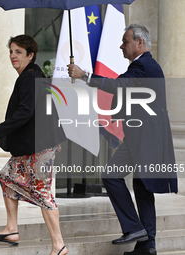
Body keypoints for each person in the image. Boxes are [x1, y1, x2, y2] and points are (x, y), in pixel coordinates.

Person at [68, 24, 177, 255]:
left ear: (140, 43)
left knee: (111, 175)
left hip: (145, 140)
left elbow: (118, 86)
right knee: (142, 187)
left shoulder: (143, 66)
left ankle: (135, 229)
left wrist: (84, 75)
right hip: (145, 138)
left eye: (125, 41)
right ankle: (147, 245)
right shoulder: (145, 66)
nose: (121, 46)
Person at [0, 35, 68, 255]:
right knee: (7, 177)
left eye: (18, 52)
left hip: (39, 147)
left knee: (42, 193)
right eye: (11, 51)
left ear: (30, 55)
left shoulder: (30, 77)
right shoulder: (33, 76)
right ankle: (11, 229)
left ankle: (59, 245)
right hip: (34, 145)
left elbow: (25, 111)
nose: (13, 56)